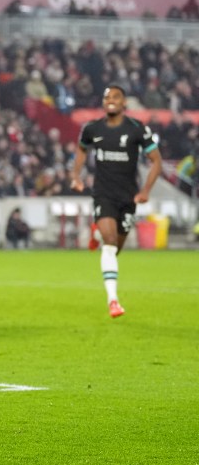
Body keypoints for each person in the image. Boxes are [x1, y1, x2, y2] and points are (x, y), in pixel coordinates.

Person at [70, 85, 162, 318]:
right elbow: (81, 151)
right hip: (103, 194)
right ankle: (113, 301)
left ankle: (96, 232)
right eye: (107, 97)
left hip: (128, 197)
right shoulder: (92, 129)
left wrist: (145, 191)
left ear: (124, 104)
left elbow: (156, 161)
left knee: (114, 248)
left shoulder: (136, 129)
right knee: (110, 244)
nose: (110, 101)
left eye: (115, 97)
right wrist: (75, 176)